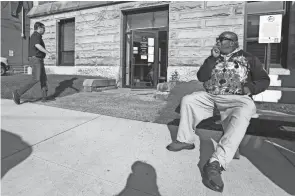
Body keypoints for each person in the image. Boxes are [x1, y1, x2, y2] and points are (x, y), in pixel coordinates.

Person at [166, 31, 270, 192]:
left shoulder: (249, 58)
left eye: (223, 40)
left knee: (245, 110)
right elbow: (201, 77)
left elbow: (264, 80)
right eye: (218, 40)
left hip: (237, 98)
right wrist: (211, 59)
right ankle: (185, 140)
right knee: (189, 100)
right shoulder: (214, 57)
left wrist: (250, 88)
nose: (219, 42)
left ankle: (216, 163)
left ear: (234, 43)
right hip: (211, 96)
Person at [12, 22, 54, 104]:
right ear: (39, 28)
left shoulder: (38, 36)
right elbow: (37, 45)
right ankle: (17, 93)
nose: (44, 30)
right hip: (36, 60)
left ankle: (44, 97)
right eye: (43, 28)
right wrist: (48, 53)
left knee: (43, 78)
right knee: (36, 78)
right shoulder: (36, 35)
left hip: (39, 59)